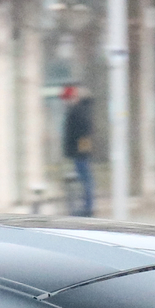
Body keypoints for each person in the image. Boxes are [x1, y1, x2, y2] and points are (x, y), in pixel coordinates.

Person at [61, 84, 96, 215]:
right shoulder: (79, 110)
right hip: (79, 152)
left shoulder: (78, 111)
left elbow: (83, 133)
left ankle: (86, 207)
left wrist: (80, 152)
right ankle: (85, 206)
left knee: (85, 179)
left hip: (79, 153)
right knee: (84, 179)